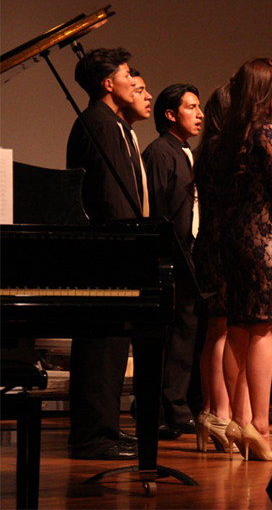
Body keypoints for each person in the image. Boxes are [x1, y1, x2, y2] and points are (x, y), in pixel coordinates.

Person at [65, 47, 145, 460]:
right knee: (102, 342)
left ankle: (105, 429)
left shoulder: (110, 123)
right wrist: (128, 240)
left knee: (113, 343)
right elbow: (112, 196)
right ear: (107, 83)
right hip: (109, 248)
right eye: (128, 73)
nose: (134, 80)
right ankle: (93, 435)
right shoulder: (98, 123)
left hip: (117, 245)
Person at [218, 58, 272, 461]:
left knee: (238, 329)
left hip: (235, 239)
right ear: (265, 92)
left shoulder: (234, 133)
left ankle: (236, 419)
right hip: (263, 237)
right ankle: (260, 425)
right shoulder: (267, 131)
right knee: (264, 331)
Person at [143, 83, 204, 439]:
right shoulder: (160, 153)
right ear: (170, 114)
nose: (199, 115)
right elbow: (158, 210)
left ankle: (179, 404)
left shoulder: (185, 152)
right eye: (191, 107)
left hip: (190, 254)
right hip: (172, 256)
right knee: (175, 333)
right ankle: (170, 409)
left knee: (187, 331)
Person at [191, 84, 236, 453]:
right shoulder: (224, 148)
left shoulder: (207, 147)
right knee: (221, 330)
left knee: (215, 330)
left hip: (210, 242)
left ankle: (209, 411)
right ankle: (219, 412)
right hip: (223, 245)